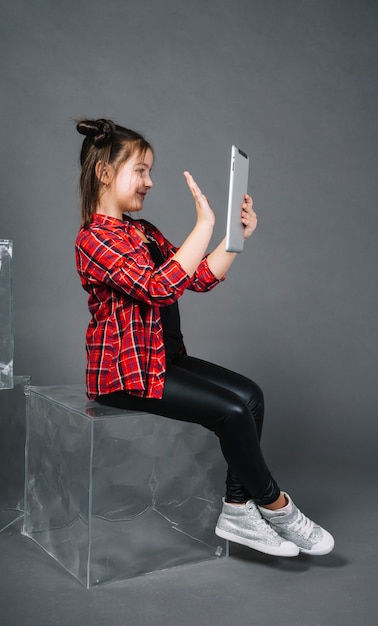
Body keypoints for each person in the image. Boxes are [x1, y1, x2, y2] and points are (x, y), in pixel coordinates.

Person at [75, 118, 334, 558]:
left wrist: (233, 238)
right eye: (140, 170)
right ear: (104, 172)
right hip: (126, 375)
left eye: (150, 171)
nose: (150, 182)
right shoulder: (93, 240)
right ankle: (277, 505)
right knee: (231, 412)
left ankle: (236, 508)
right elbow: (159, 286)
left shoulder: (142, 230)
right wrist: (205, 224)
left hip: (163, 360)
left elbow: (195, 277)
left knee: (250, 397)